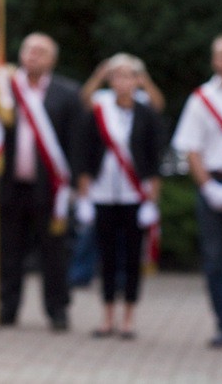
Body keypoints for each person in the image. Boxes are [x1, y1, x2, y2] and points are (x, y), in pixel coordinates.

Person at [74, 53, 164, 340]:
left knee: (132, 257)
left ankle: (128, 318)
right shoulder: (101, 107)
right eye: (116, 76)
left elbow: (154, 155)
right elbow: (85, 140)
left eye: (127, 76)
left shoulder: (145, 112)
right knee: (107, 255)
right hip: (103, 191)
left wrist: (152, 198)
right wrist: (84, 189)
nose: (121, 81)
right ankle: (107, 316)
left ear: (136, 80)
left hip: (134, 194)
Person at [0, 32, 82, 331]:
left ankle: (57, 310)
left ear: (52, 60)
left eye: (40, 51)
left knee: (54, 252)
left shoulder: (67, 93)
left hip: (51, 188)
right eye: (28, 49)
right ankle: (6, 309)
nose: (32, 55)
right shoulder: (3, 88)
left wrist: (76, 186)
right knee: (9, 250)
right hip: (10, 184)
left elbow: (75, 144)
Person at [172, 33, 222, 349]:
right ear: (213, 60)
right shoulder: (201, 99)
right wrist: (209, 187)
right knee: (213, 260)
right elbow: (190, 148)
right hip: (213, 183)